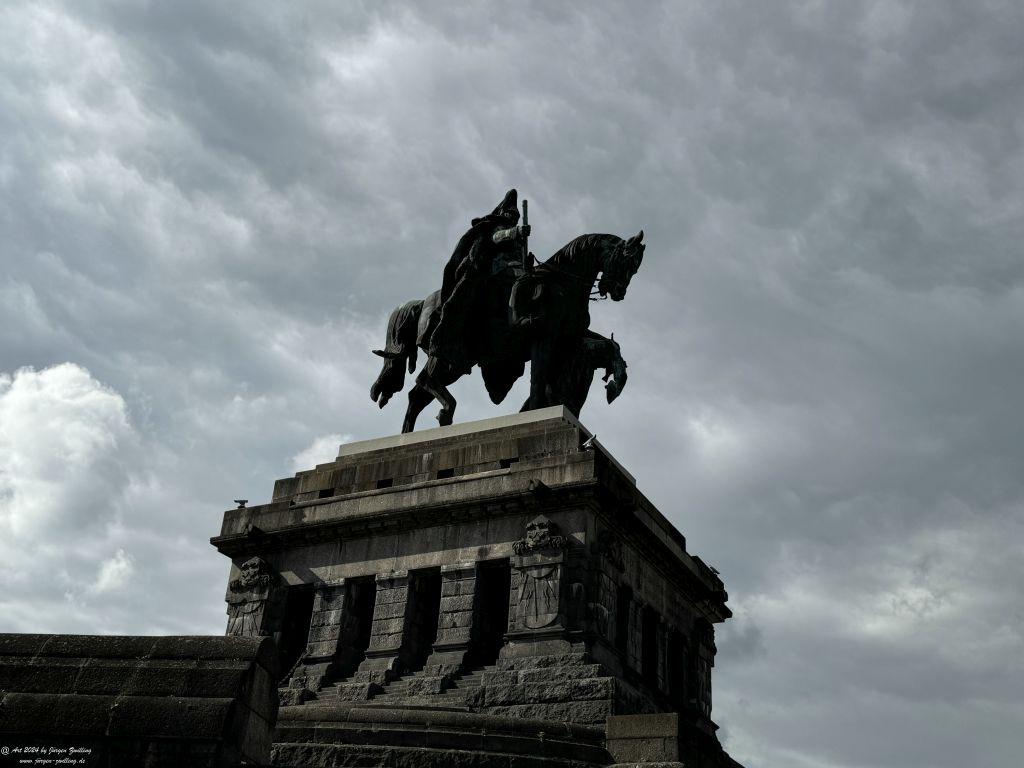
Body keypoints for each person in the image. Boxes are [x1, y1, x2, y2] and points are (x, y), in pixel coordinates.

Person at [425, 189, 529, 372]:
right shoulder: (496, 227)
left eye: (516, 215)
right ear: (503, 213)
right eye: (510, 213)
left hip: (516, 274)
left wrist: (526, 262)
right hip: (494, 273)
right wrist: (514, 232)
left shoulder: (519, 238)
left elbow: (519, 258)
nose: (513, 217)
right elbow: (496, 238)